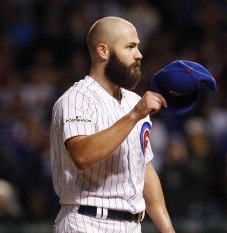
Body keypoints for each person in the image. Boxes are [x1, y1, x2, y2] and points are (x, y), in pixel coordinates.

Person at [50, 16, 175, 233]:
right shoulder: (77, 99)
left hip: (132, 224)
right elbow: (82, 155)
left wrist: (167, 229)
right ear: (103, 51)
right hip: (86, 221)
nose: (139, 54)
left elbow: (143, 167)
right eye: (130, 47)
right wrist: (134, 115)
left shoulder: (133, 101)